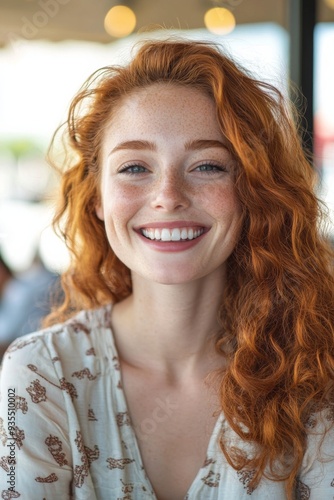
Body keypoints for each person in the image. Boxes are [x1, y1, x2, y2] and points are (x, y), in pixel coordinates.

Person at [0, 38, 333, 499]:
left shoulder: (312, 368)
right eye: (135, 167)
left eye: (208, 166)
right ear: (97, 196)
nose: (168, 195)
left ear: (252, 191)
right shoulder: (40, 373)